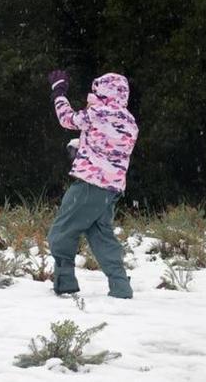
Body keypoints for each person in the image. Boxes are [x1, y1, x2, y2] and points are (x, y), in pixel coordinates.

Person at [46, 70, 139, 299]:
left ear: (103, 91)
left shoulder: (98, 113)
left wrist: (59, 91)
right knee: (101, 237)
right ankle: (120, 287)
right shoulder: (130, 121)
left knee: (61, 232)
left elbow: (67, 119)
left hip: (88, 186)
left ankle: (64, 282)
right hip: (111, 190)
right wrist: (82, 149)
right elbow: (108, 149)